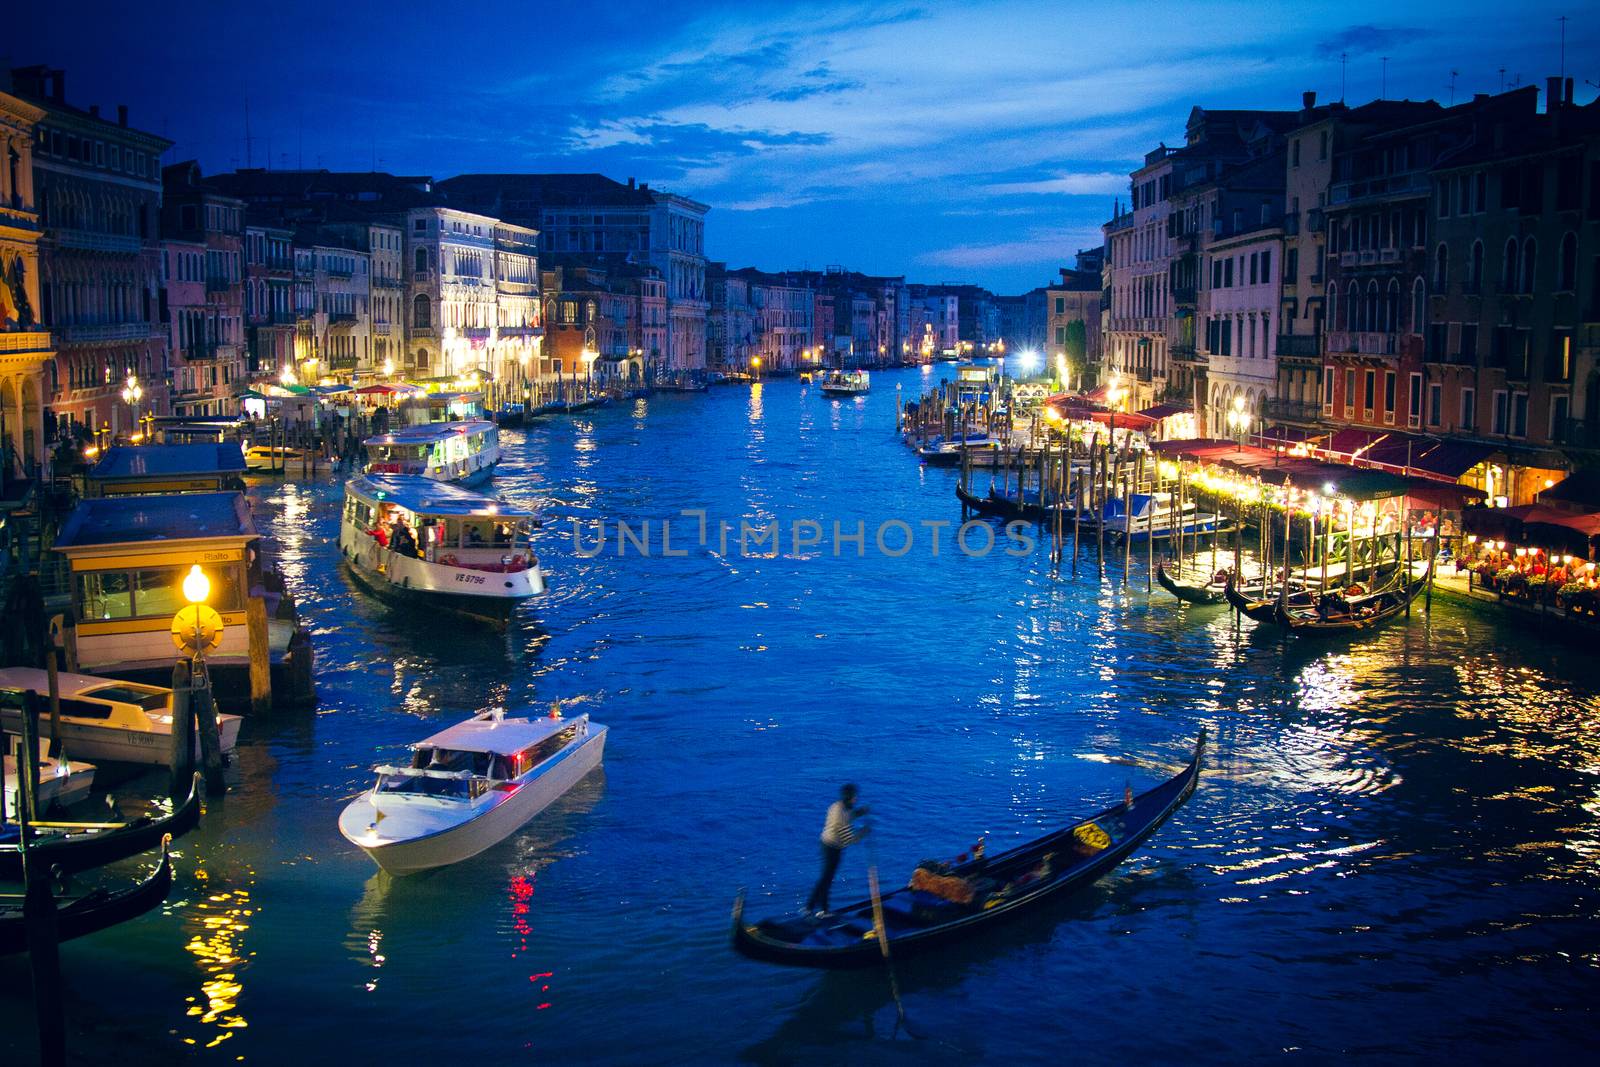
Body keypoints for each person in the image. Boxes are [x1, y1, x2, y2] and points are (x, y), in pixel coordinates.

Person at [805, 784, 869, 916]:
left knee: (826, 878)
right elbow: (850, 840)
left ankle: (818, 908)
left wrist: (860, 812)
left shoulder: (837, 806)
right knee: (826, 878)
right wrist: (864, 831)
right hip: (832, 848)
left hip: (827, 843)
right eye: (854, 797)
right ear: (849, 797)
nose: (856, 799)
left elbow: (850, 814)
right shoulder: (841, 816)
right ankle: (812, 908)